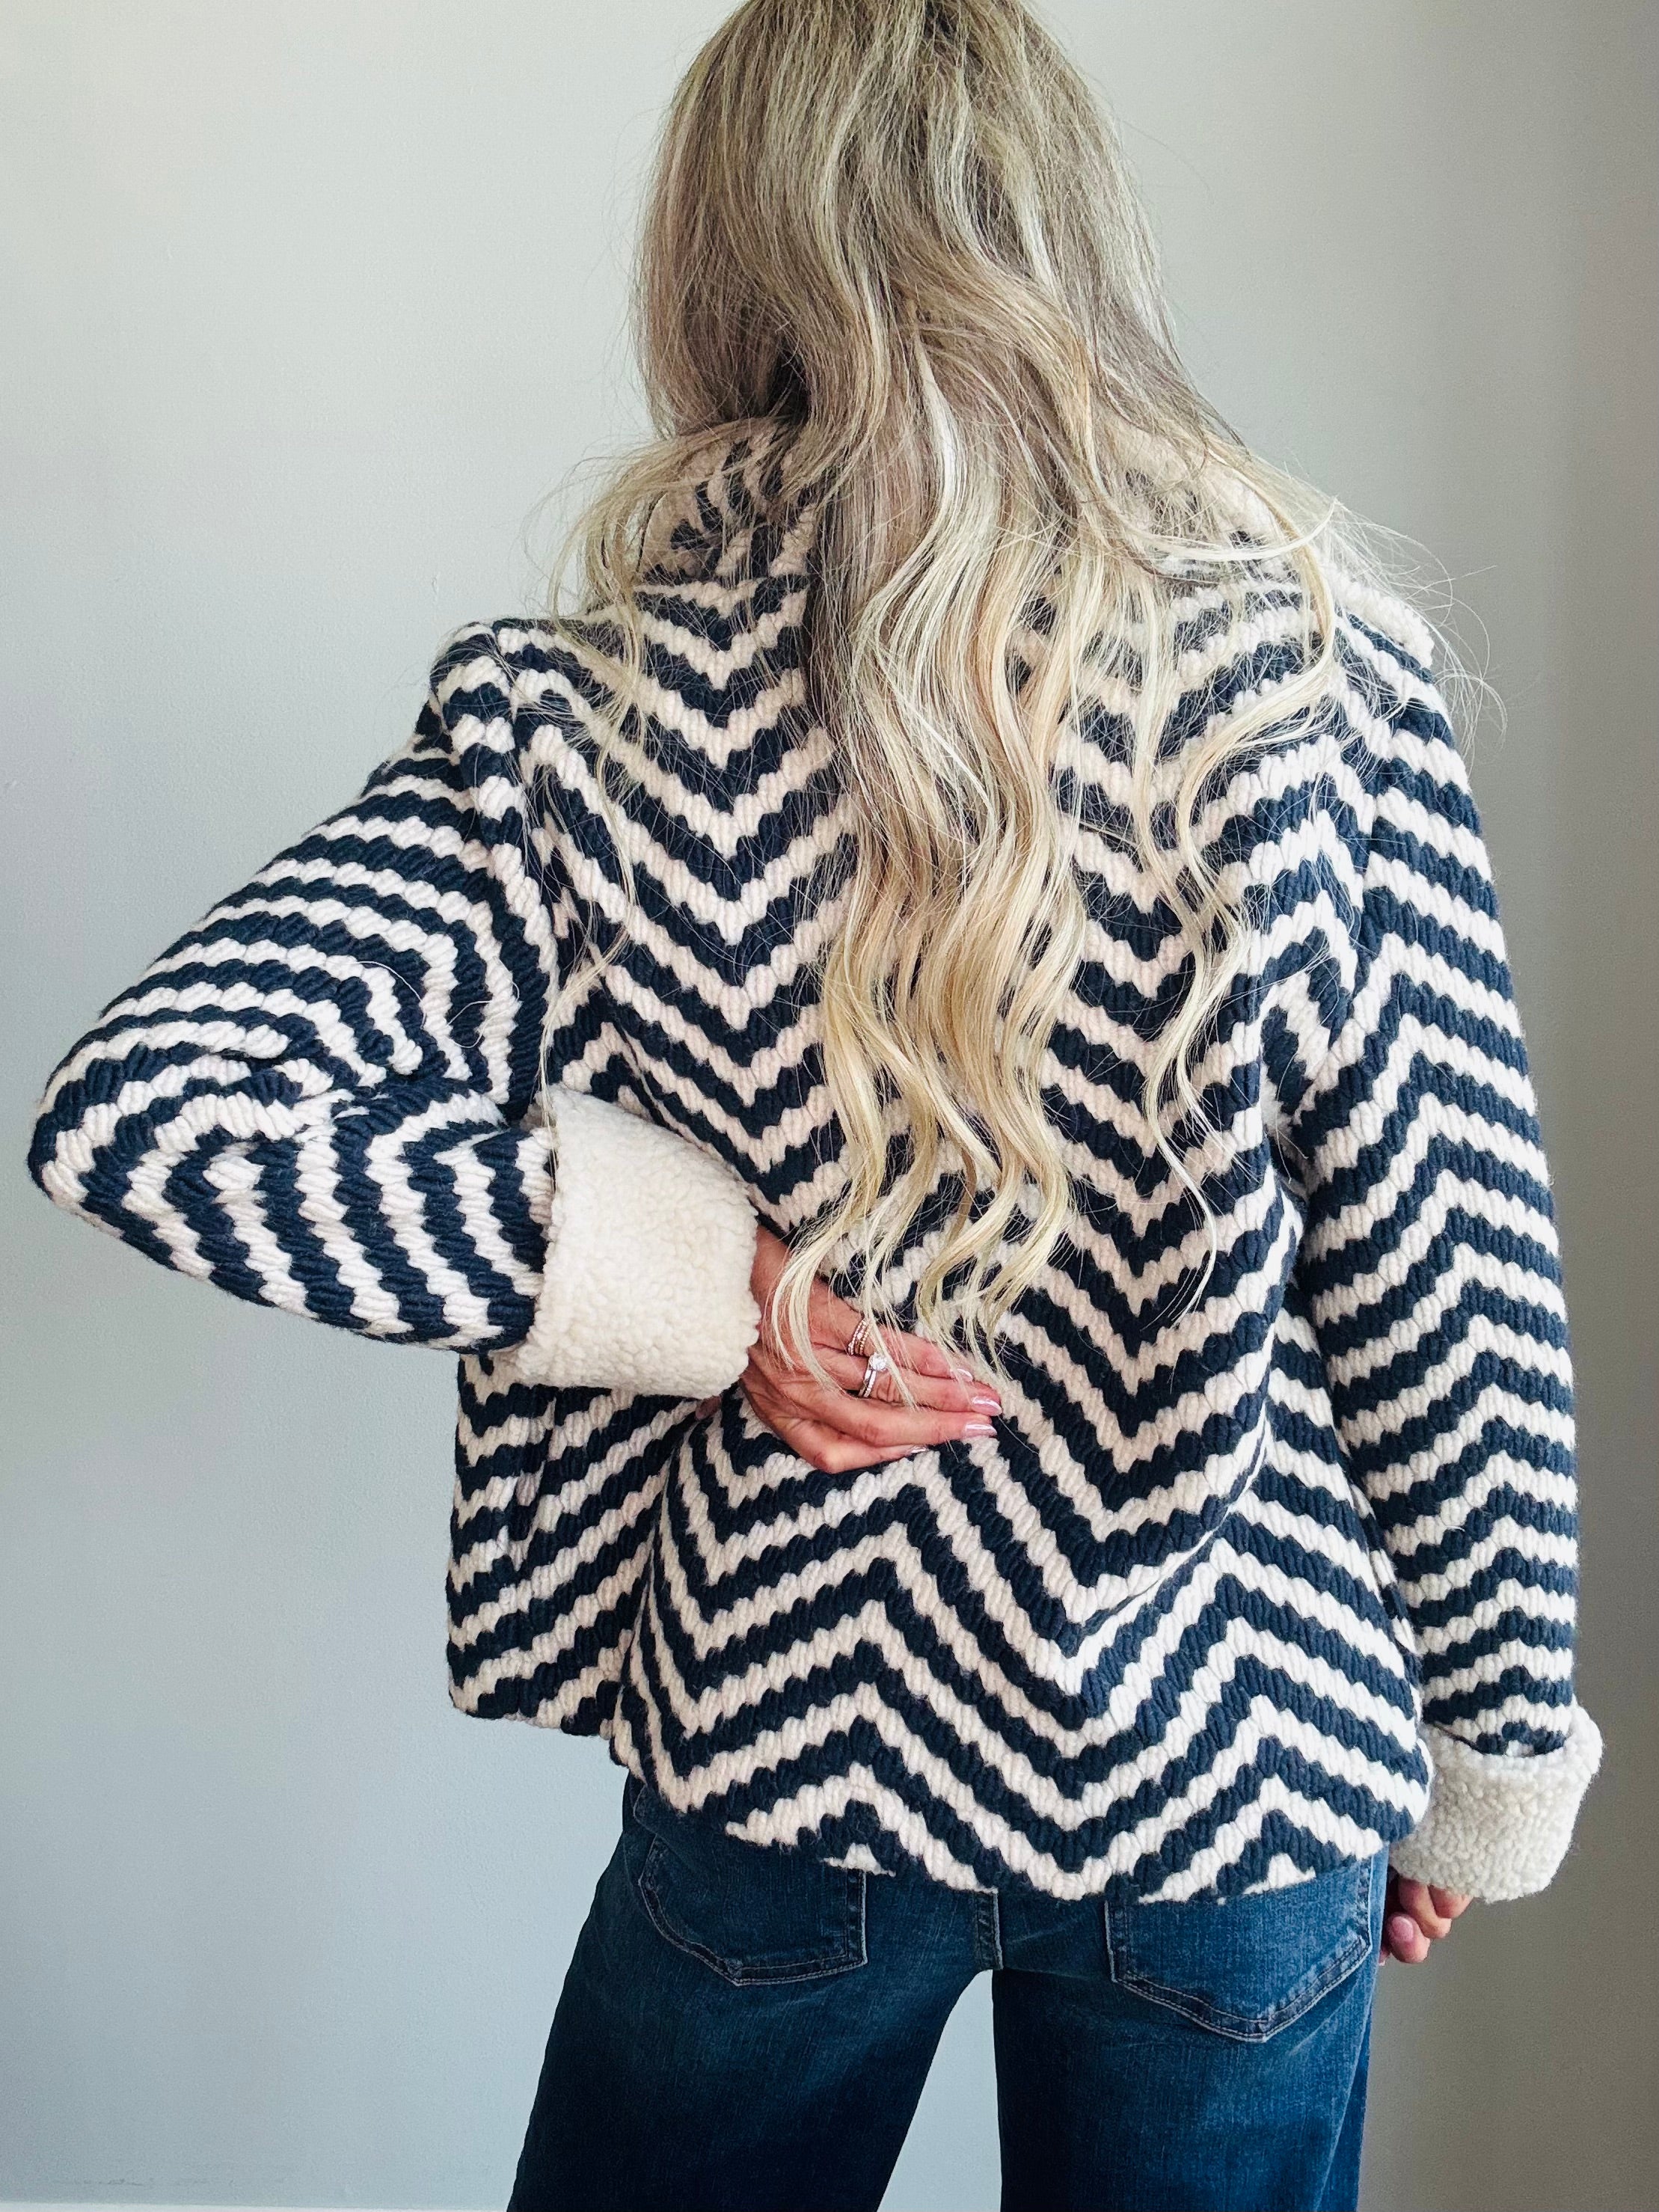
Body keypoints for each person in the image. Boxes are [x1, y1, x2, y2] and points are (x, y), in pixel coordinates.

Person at [27, 3, 1602, 2208]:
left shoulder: (585, 715)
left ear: (714, 260)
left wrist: (702, 1281)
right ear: (1070, 241)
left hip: (790, 1740)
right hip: (1236, 1756)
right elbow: (1447, 1273)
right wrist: (1480, 1756)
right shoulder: (1309, 690)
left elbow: (154, 1110)